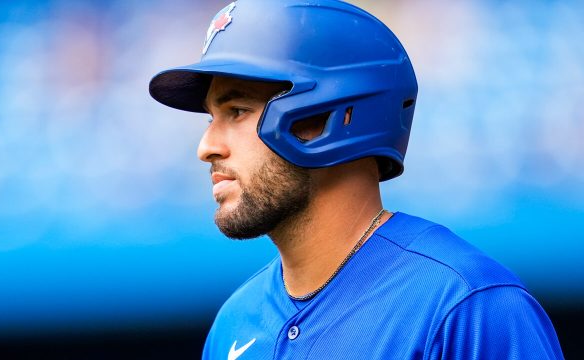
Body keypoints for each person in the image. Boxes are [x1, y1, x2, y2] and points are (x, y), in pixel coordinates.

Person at [148, 0, 564, 358]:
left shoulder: (464, 305)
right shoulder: (234, 322)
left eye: (237, 111)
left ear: (332, 116)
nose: (206, 146)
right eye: (211, 117)